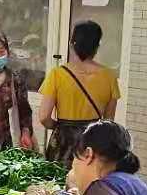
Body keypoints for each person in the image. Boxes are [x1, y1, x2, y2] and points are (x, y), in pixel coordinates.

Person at [38, 20, 121, 166]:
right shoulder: (109, 77)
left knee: (56, 185)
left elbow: (44, 117)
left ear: (72, 44)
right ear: (97, 47)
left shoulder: (57, 74)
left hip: (62, 144)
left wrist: (60, 128)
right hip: (91, 144)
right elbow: (108, 122)